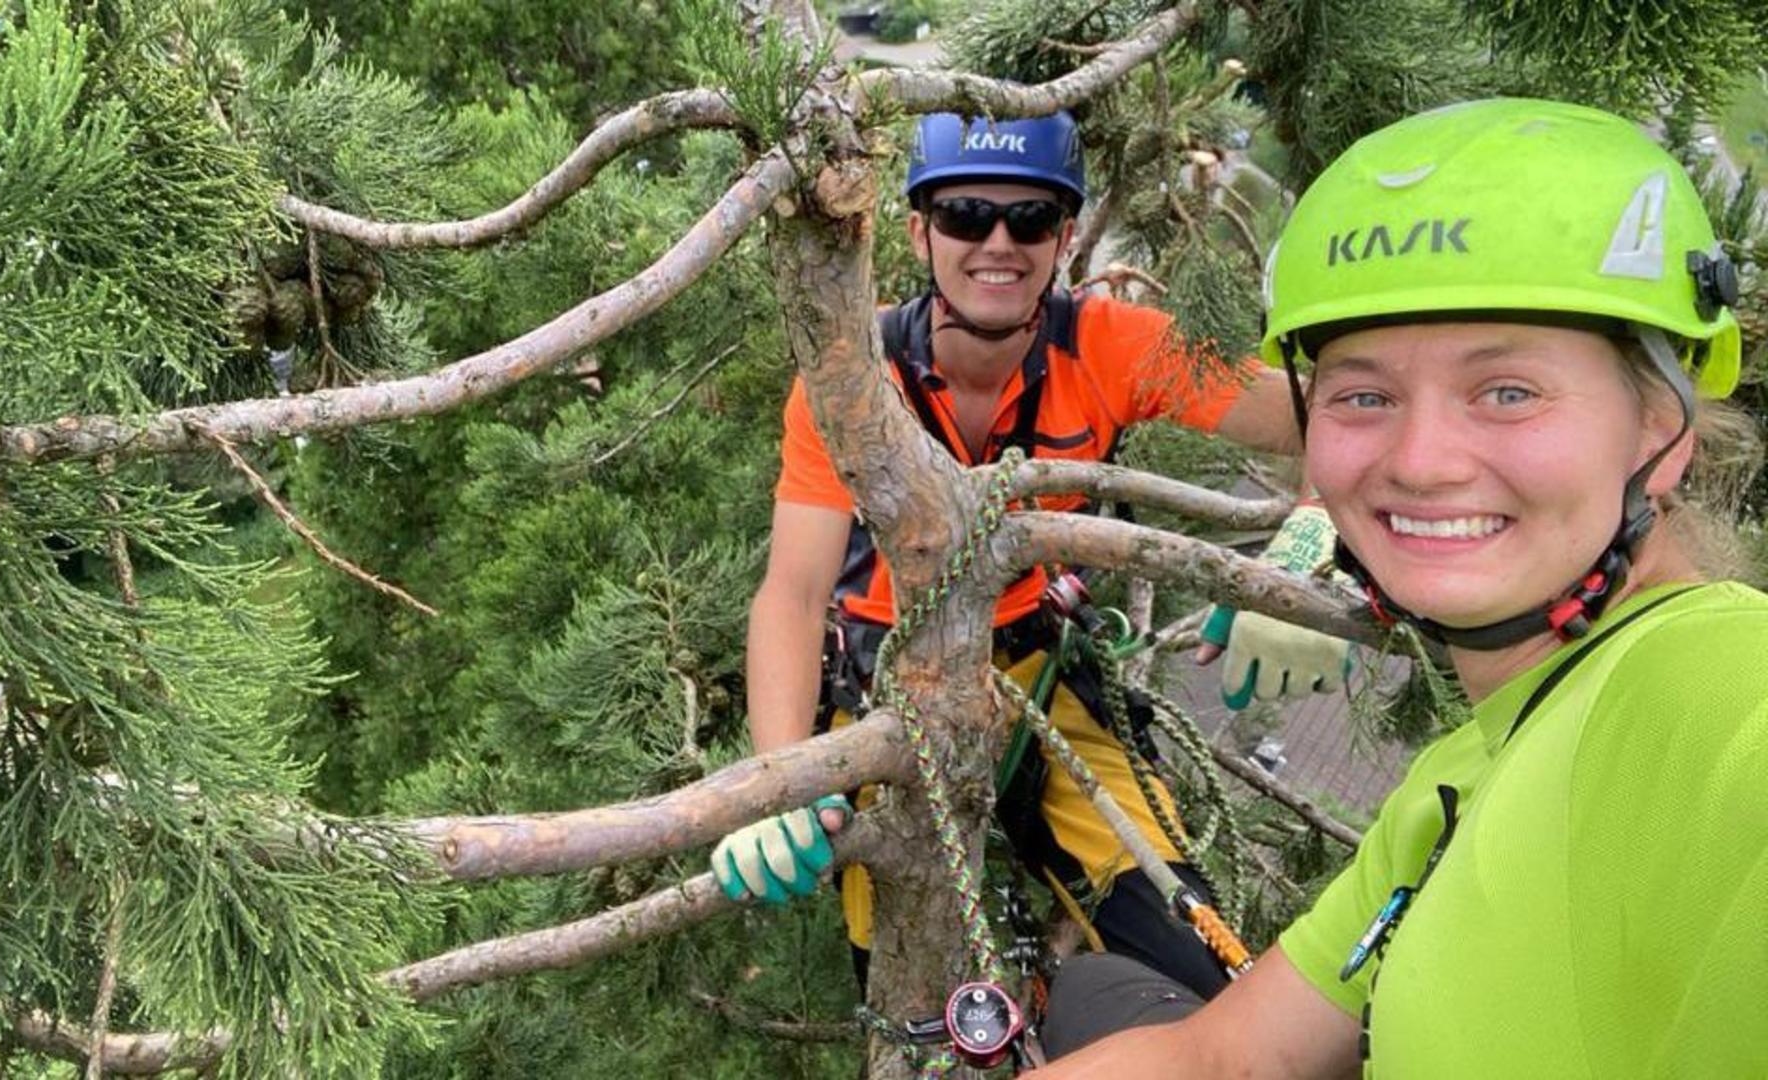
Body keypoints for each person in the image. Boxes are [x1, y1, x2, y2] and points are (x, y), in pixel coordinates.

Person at [1035, 97, 1768, 1076]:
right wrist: (1309, 528)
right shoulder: (1449, 786)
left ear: (1660, 429)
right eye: (1364, 395)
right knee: (1095, 992)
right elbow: (1226, 1056)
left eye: (1507, 391)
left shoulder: (1720, 692)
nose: (1419, 461)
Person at [708, 110, 1343, 1001]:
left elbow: (1335, 417)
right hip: (878, 686)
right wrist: (776, 779)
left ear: (1066, 236)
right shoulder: (853, 378)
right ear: (920, 232)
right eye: (967, 215)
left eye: (1031, 219)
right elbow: (794, 592)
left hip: (1035, 666)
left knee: (1187, 942)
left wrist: (1310, 543)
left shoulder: (1110, 345)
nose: (998, 243)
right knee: (901, 986)